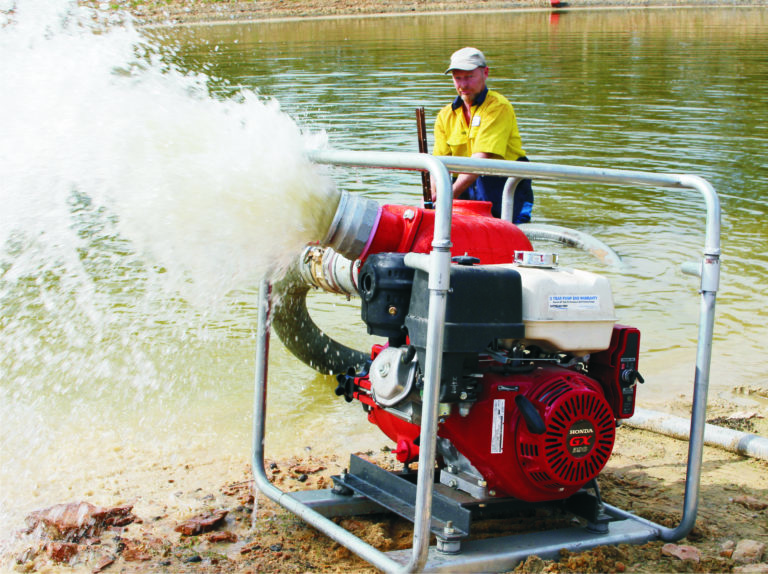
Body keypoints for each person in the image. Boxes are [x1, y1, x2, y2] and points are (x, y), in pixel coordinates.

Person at [432, 47, 533, 223]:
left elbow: (481, 158)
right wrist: (434, 195)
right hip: (464, 189)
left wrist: (447, 197)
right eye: (458, 78)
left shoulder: (497, 106)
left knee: (507, 239)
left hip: (502, 187)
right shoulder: (445, 115)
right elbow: (437, 164)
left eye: (469, 77)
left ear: (485, 73)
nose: (463, 85)